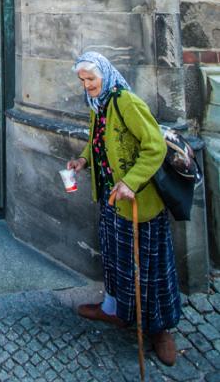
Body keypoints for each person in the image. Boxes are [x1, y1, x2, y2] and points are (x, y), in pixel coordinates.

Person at [68, 51, 181, 367]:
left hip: (137, 202)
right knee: (116, 259)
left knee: (150, 265)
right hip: (110, 199)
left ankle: (160, 329)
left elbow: (155, 146)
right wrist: (83, 160)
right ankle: (113, 309)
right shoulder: (98, 104)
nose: (87, 85)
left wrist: (132, 181)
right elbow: (97, 141)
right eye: (82, 80)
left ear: (105, 74)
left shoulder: (125, 102)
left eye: (91, 79)